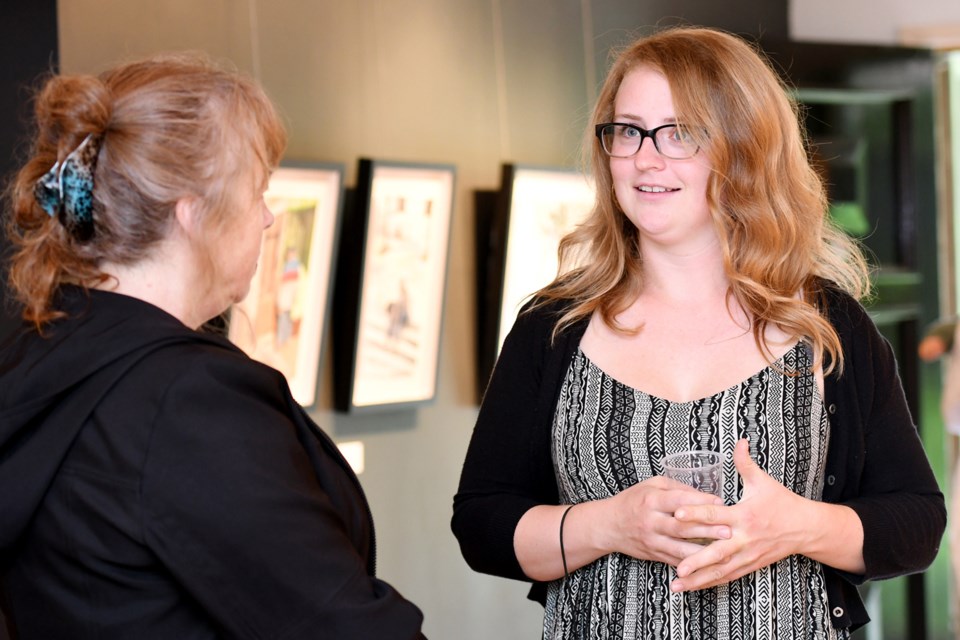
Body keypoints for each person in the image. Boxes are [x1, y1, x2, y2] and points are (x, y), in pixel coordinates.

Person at [452, 26, 945, 639]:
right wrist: (608, 525)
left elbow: (917, 523)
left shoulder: (826, 324)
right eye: (627, 130)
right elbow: (481, 524)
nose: (645, 158)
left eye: (680, 132)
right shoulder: (554, 328)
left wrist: (797, 526)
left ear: (744, 148)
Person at [0, 53, 425, 639]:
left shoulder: (39, 353)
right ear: (192, 214)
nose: (270, 218)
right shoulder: (185, 401)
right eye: (258, 190)